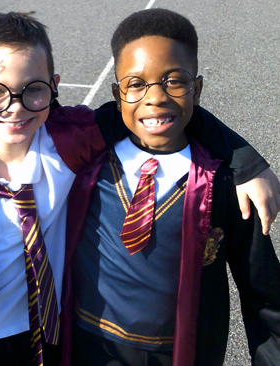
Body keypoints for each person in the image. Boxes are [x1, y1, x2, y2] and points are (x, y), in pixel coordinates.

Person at [0, 10, 279, 366]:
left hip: (53, 335)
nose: (15, 106)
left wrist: (245, 160)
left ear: (55, 87)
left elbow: (162, 107)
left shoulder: (69, 143)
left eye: (34, 90)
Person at [62, 8, 280, 366]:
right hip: (92, 346)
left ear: (197, 88)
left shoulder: (225, 183)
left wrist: (245, 161)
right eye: (135, 84)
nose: (156, 97)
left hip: (181, 352)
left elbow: (264, 296)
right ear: (117, 95)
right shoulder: (88, 156)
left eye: (174, 81)